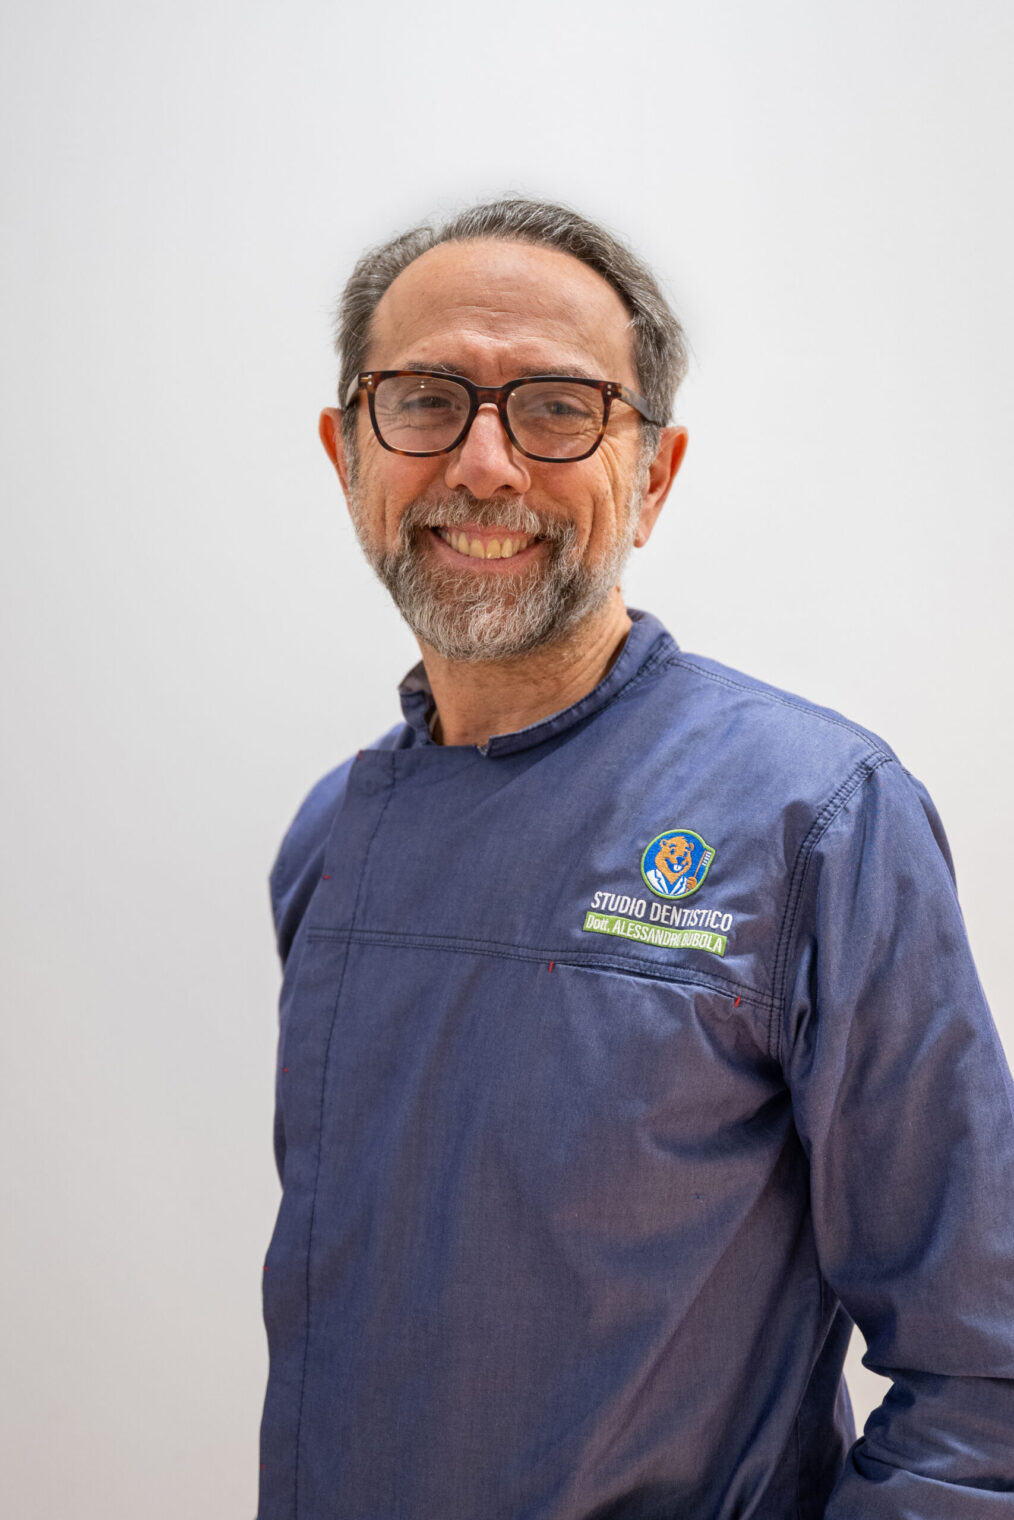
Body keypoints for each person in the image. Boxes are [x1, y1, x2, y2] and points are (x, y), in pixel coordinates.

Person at [258, 199, 1014, 1520]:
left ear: (652, 476)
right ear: (346, 453)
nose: (484, 465)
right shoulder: (332, 840)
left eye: (557, 408)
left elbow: (983, 1383)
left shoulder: (818, 822)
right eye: (424, 400)